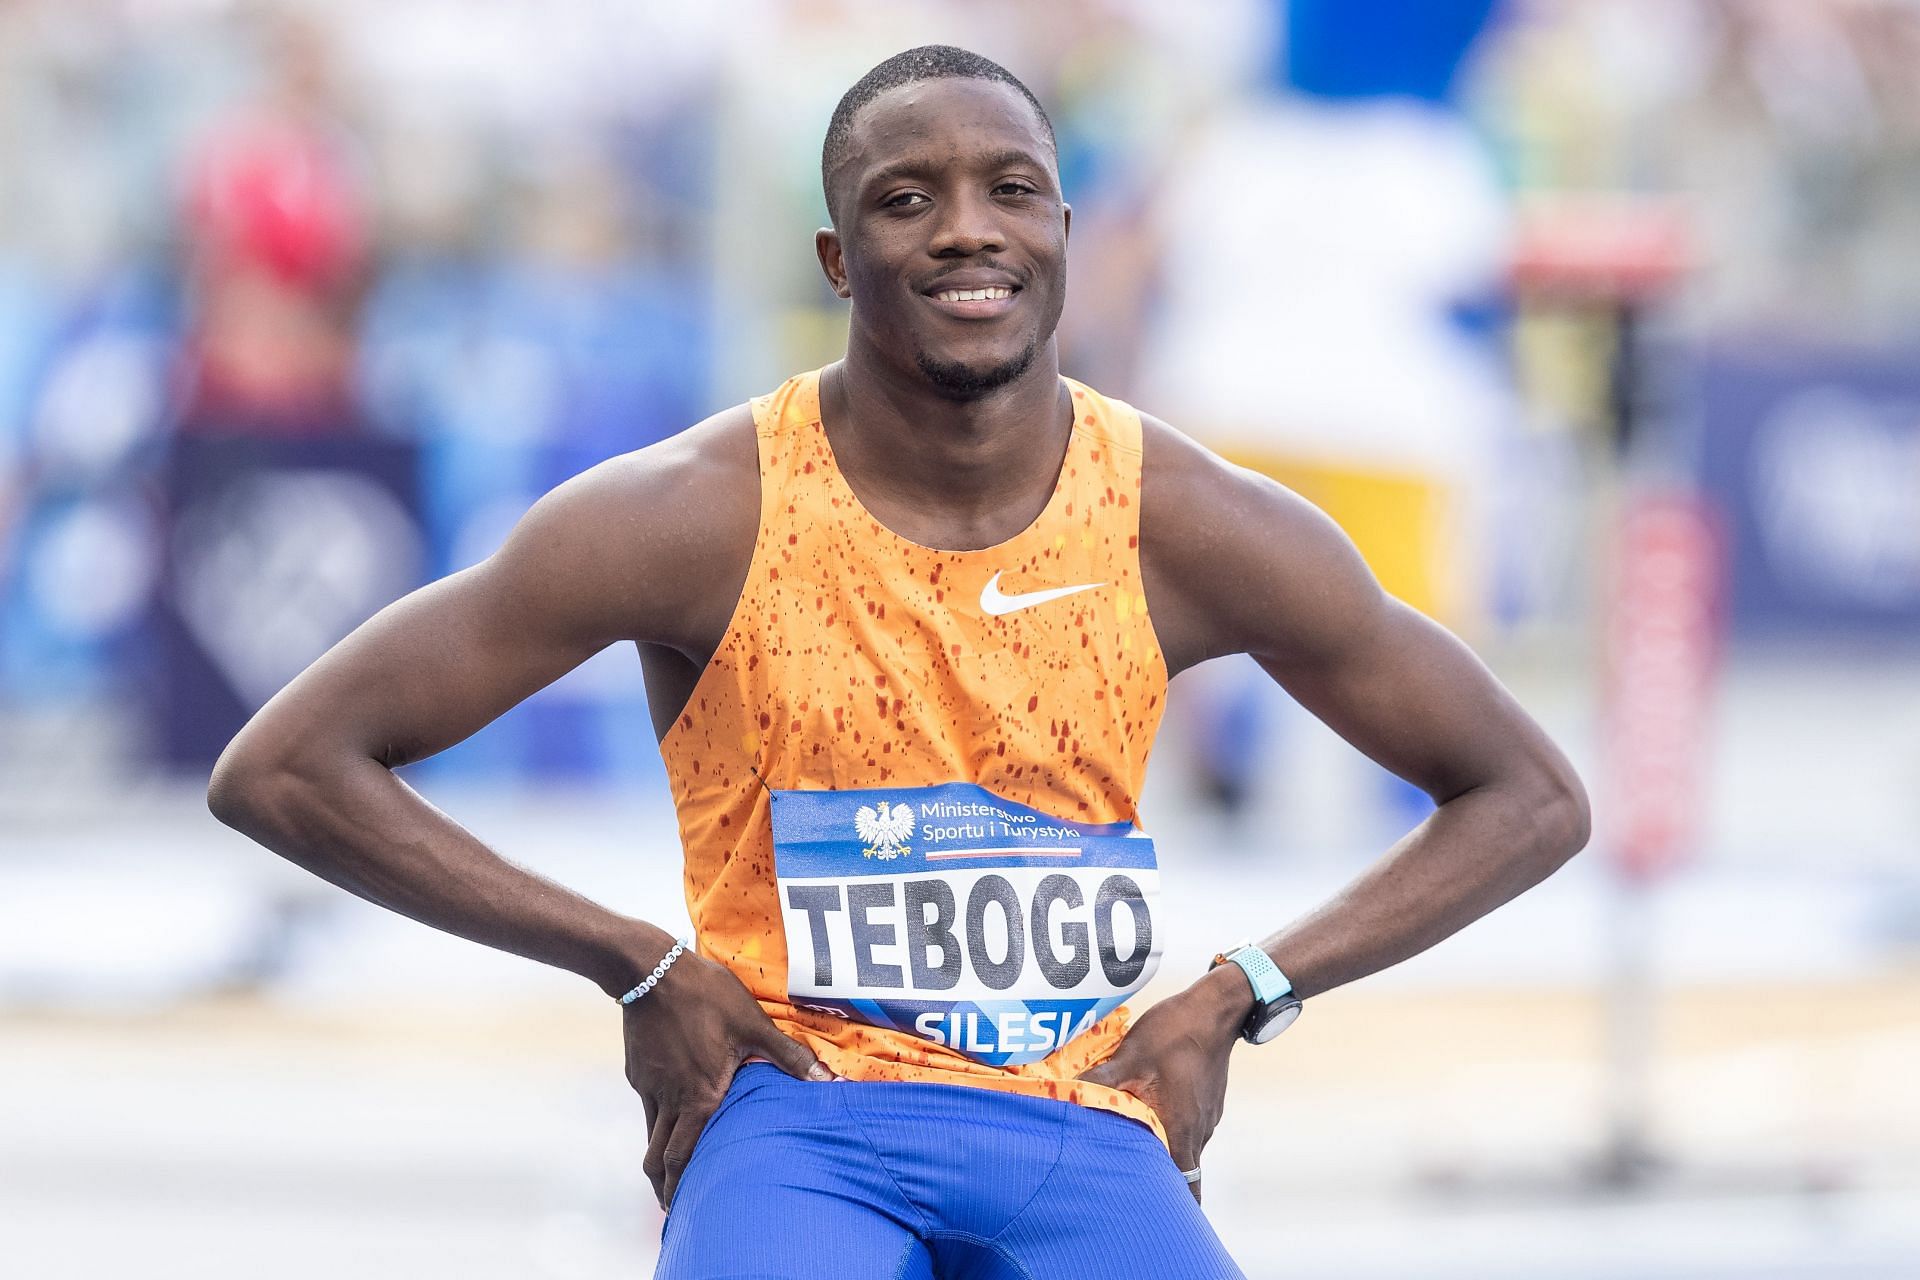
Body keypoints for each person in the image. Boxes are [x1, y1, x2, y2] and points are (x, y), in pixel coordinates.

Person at [209, 45, 1589, 1280]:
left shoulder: (1180, 519)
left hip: (1072, 1114)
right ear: (834, 257)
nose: (967, 231)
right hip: (803, 1111)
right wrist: (629, 962)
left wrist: (1244, 994)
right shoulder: (697, 512)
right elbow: (284, 768)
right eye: (906, 198)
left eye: (1011, 189)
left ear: (1063, 227)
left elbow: (1529, 796)